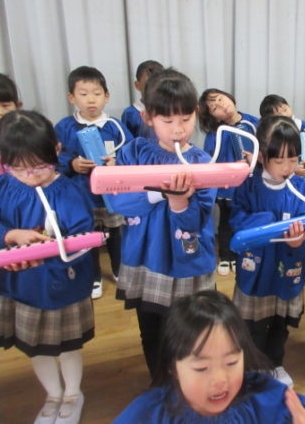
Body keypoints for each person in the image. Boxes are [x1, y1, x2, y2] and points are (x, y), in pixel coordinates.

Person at [0, 110, 96, 424]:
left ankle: (72, 393)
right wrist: (10, 236)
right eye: (19, 168)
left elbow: (83, 237)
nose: (31, 175)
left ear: (56, 151)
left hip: (64, 284)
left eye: (39, 166)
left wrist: (51, 250)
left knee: (68, 346)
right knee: (37, 347)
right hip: (23, 286)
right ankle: (53, 394)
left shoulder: (70, 191)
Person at [108, 68, 217, 378]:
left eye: (185, 119)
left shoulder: (203, 162)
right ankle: (159, 384)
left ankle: (190, 383)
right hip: (147, 258)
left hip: (188, 261)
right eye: (167, 121)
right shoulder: (133, 152)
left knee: (192, 332)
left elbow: (198, 219)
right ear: (148, 118)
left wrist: (180, 202)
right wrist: (160, 193)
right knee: (152, 330)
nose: (178, 130)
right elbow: (118, 202)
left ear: (196, 113)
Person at [112, 290, 305, 423]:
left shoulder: (266, 399)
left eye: (231, 362)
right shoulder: (148, 414)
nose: (221, 379)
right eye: (202, 368)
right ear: (173, 368)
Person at [229, 115, 305, 387]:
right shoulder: (249, 185)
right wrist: (270, 222)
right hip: (257, 270)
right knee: (254, 325)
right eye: (279, 161)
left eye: (292, 160)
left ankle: (276, 363)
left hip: (288, 269)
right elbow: (236, 220)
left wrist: (299, 243)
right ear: (261, 157)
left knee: (280, 322)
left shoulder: (302, 188)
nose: (287, 168)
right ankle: (254, 367)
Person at [55, 65, 134, 299]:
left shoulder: (115, 126)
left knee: (116, 233)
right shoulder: (64, 127)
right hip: (80, 195)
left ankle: (120, 270)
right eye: (83, 94)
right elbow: (53, 157)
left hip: (112, 195)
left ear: (106, 96)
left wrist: (117, 162)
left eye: (97, 94)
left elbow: (131, 153)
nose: (91, 99)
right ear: (71, 97)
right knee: (87, 237)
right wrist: (72, 164)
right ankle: (94, 277)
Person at [199, 88, 259, 277]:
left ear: (229, 97)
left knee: (248, 219)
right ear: (212, 117)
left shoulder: (254, 123)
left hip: (252, 186)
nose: (220, 105)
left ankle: (243, 253)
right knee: (226, 222)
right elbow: (209, 160)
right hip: (227, 189)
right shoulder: (215, 134)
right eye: (213, 107)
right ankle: (226, 255)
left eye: (220, 99)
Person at [259, 94, 305, 178]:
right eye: (279, 114)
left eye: (285, 109)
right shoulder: (271, 136)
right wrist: (292, 170)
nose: (285, 114)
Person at [121, 60, 164, 137]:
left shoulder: (171, 110)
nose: (153, 89)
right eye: (147, 85)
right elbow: (127, 141)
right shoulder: (130, 114)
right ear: (137, 85)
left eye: (158, 84)